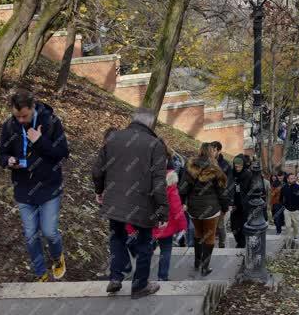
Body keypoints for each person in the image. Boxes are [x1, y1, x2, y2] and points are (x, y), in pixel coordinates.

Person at [92, 108, 168, 298]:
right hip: (143, 203)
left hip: (114, 200)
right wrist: (162, 209)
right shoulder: (155, 144)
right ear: (151, 124)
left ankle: (115, 277)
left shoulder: (113, 138)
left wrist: (99, 191)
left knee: (116, 236)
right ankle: (140, 286)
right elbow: (159, 181)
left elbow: (97, 170)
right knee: (144, 243)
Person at [0, 89, 70, 282]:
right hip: (23, 188)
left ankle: (57, 257)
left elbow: (62, 152)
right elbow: (1, 155)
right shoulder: (9, 126)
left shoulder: (51, 122)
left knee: (49, 232)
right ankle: (40, 273)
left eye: (25, 115)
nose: (21, 120)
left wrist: (39, 141)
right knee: (30, 235)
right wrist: (8, 160)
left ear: (32, 107)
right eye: (17, 116)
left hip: (49, 187)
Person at [126, 162, 187, 281]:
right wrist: (182, 225)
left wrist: (130, 228)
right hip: (166, 225)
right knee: (166, 250)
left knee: (145, 251)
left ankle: (141, 278)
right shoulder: (169, 181)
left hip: (148, 225)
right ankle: (162, 277)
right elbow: (176, 206)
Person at [178, 143, 229, 275]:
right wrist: (225, 207)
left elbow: (182, 189)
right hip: (211, 209)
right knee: (210, 237)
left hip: (194, 208)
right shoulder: (215, 169)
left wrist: (183, 202)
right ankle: (205, 267)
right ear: (212, 152)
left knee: (198, 233)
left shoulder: (190, 167)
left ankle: (197, 261)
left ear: (199, 151)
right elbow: (222, 192)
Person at [210, 141, 231, 249]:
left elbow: (229, 184)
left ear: (218, 151)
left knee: (220, 225)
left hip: (221, 199)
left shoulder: (225, 165)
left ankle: (222, 245)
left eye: (214, 150)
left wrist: (227, 202)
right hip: (209, 200)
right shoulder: (207, 162)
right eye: (211, 150)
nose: (211, 152)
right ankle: (210, 245)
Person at [230, 155, 252, 248]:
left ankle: (242, 244)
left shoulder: (248, 175)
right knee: (234, 226)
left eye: (239, 166)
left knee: (243, 226)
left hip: (245, 206)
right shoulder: (231, 174)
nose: (237, 168)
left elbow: (252, 190)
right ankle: (239, 241)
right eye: (236, 166)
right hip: (234, 205)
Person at [281, 173, 299, 239]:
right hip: (287, 210)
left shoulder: (298, 187)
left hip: (296, 210)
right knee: (287, 225)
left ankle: (295, 235)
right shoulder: (284, 187)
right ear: (287, 179)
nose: (293, 179)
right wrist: (283, 205)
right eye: (291, 178)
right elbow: (281, 197)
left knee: (296, 225)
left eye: (294, 178)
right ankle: (288, 238)